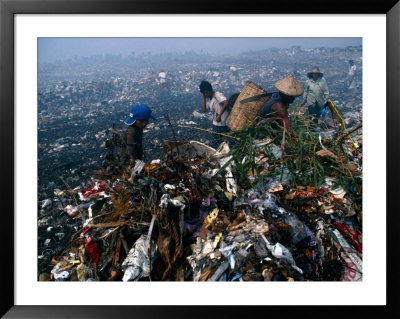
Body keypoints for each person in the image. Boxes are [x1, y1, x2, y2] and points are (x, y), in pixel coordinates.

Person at [199, 80, 230, 147]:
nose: (206, 94)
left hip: (224, 124)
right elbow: (203, 110)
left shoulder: (217, 94)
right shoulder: (210, 101)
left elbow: (226, 102)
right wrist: (204, 97)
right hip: (216, 125)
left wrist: (219, 115)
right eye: (204, 93)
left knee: (227, 142)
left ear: (210, 90)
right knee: (216, 143)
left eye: (206, 93)